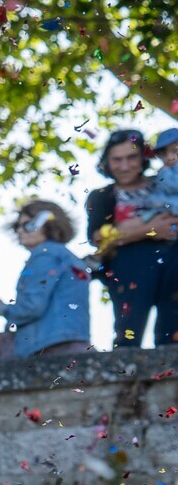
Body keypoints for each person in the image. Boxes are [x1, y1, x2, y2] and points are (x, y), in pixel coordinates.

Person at [85, 129, 176, 350]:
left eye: (131, 157)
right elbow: (98, 237)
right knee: (128, 332)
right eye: (117, 159)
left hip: (174, 265)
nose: (124, 166)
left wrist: (124, 231)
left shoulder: (165, 182)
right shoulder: (102, 196)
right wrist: (151, 229)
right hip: (129, 268)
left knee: (172, 331)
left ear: (142, 158)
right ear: (107, 161)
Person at [0, 201, 92, 362]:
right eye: (17, 227)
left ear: (47, 224)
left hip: (49, 344)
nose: (20, 231)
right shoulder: (67, 256)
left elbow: (32, 307)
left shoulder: (45, 254)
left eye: (27, 225)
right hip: (72, 341)